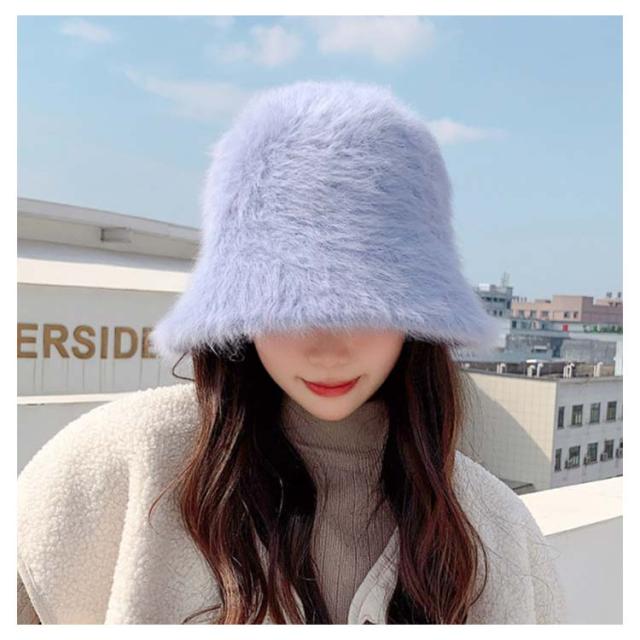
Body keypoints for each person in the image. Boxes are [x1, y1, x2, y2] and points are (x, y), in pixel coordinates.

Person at [17, 80, 566, 624]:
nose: (328, 350)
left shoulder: (495, 531)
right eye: (289, 302)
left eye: (367, 304)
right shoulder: (122, 467)